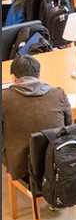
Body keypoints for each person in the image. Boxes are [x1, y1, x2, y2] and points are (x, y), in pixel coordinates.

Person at [2, 55, 72, 183]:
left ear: (13, 78)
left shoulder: (4, 98)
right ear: (39, 76)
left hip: (21, 166)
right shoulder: (58, 93)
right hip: (58, 160)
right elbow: (69, 126)